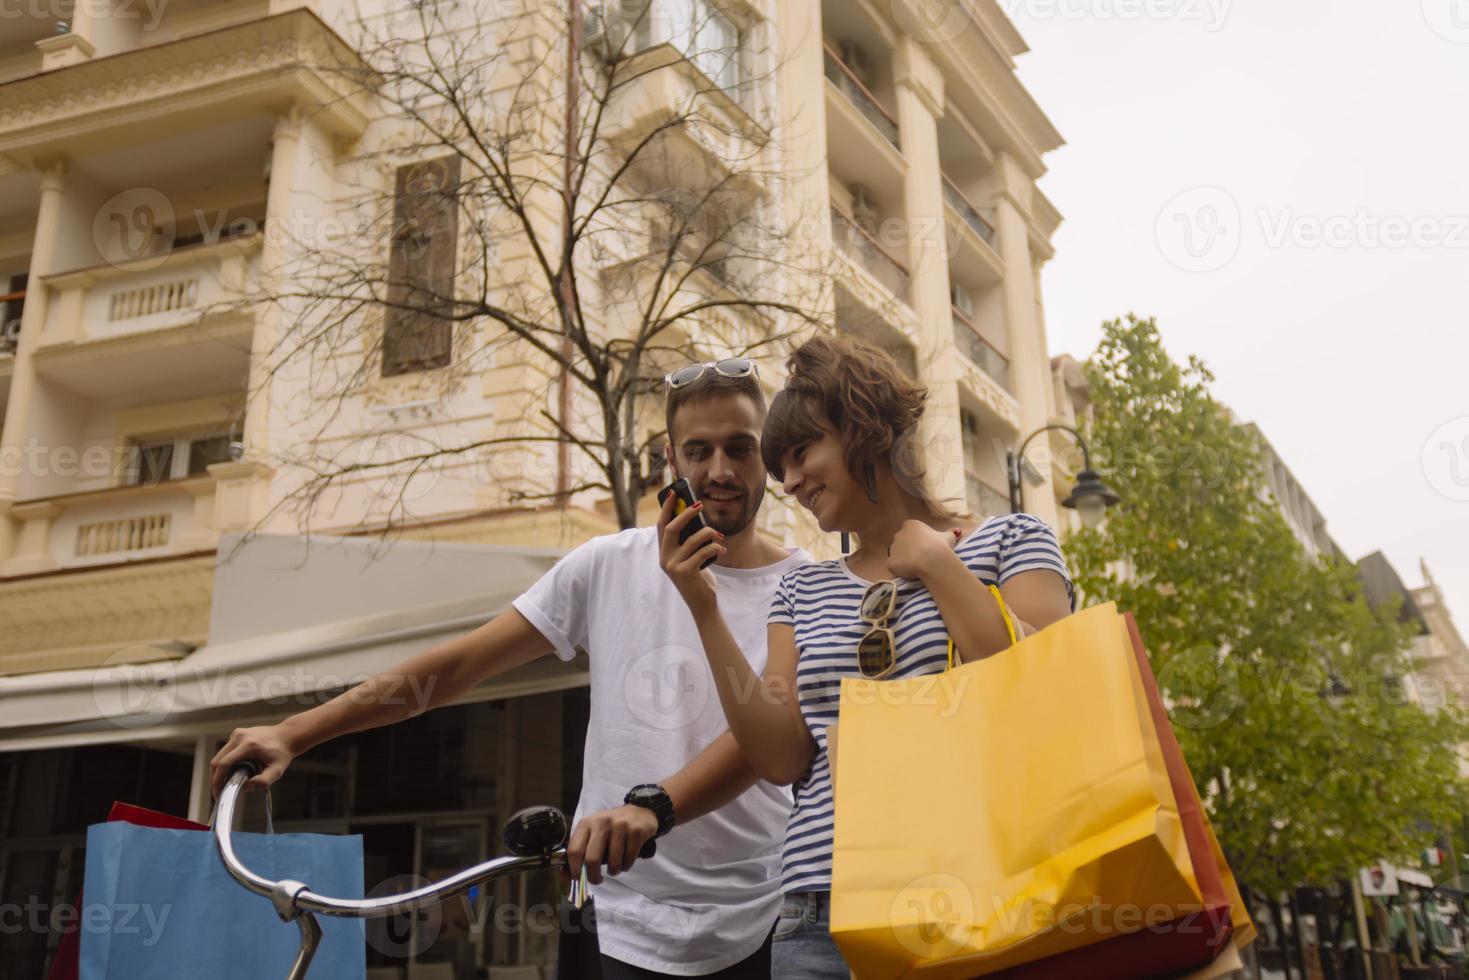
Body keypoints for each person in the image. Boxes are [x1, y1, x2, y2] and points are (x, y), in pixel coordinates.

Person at [209, 359, 811, 979]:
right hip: (614, 910)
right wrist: (295, 732)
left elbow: (763, 742)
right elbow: (460, 666)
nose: (720, 471)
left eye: (740, 448)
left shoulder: (805, 585)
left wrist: (652, 808)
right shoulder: (606, 564)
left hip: (758, 913)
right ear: (671, 461)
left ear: (764, 452)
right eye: (699, 450)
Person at [656, 334, 1077, 977]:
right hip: (819, 911)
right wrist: (703, 607)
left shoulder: (1009, 541)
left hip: (979, 884)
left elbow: (1039, 690)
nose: (791, 482)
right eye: (782, 467)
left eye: (802, 453)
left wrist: (939, 564)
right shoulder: (799, 588)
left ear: (862, 430)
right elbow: (781, 757)